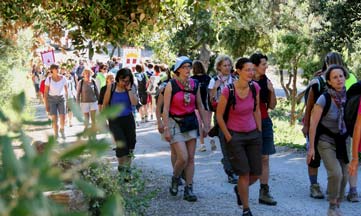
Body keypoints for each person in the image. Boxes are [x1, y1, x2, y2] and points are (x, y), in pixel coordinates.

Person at [217, 57, 262, 216]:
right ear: (239, 71)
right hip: (235, 135)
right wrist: (229, 136)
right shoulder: (228, 90)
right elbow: (219, 116)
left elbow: (256, 110)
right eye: (248, 70)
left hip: (252, 134)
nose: (251, 73)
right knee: (244, 173)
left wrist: (259, 131)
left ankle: (239, 189)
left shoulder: (255, 88)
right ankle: (246, 209)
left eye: (252, 70)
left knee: (256, 174)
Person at [162, 56, 209, 202]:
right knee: (182, 157)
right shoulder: (171, 85)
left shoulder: (195, 84)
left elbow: (200, 105)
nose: (188, 69)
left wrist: (206, 124)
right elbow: (166, 108)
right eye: (185, 67)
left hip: (190, 121)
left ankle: (189, 188)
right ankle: (175, 178)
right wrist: (166, 128)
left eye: (189, 67)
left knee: (191, 158)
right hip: (175, 122)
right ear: (178, 70)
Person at [308, 64, 349, 216]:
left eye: (341, 76)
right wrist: (311, 148)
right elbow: (313, 125)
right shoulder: (323, 99)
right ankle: (332, 206)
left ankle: (337, 204)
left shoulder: (350, 97)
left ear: (345, 77)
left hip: (343, 140)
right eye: (335, 77)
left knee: (345, 176)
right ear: (329, 82)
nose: (339, 79)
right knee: (336, 173)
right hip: (325, 140)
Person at [302, 52, 345, 199]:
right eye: (330, 63)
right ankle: (314, 186)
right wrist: (306, 125)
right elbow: (309, 105)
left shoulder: (345, 79)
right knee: (314, 157)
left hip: (337, 129)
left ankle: (331, 186)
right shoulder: (318, 82)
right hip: (317, 126)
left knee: (334, 159)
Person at [250, 53, 277, 206]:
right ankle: (242, 187)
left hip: (265, 121)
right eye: (263, 64)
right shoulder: (244, 81)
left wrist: (272, 91)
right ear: (255, 66)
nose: (266, 67)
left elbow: (272, 106)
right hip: (248, 122)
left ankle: (264, 191)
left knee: (265, 158)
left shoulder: (266, 81)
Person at [208, 54, 238, 184]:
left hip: (235, 115)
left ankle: (230, 163)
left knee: (235, 143)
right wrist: (215, 87)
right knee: (225, 143)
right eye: (224, 65)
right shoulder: (213, 80)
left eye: (229, 65)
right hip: (221, 115)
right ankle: (230, 171)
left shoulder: (236, 79)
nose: (227, 68)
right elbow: (210, 100)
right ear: (219, 67)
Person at [103, 68, 138, 170]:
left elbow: (134, 103)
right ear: (118, 78)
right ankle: (121, 166)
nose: (125, 83)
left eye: (127, 81)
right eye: (123, 80)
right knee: (121, 144)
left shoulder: (131, 88)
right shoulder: (111, 87)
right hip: (115, 120)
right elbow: (105, 104)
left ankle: (127, 168)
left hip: (128, 119)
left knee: (131, 144)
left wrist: (129, 89)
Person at [191, 60, 215, 152]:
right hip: (207, 105)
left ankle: (202, 144)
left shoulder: (192, 79)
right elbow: (211, 91)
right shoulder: (208, 78)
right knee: (207, 124)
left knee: (200, 125)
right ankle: (211, 138)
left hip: (197, 106)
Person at [44, 64, 68, 139]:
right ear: (52, 70)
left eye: (58, 68)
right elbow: (45, 92)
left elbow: (66, 91)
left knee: (63, 117)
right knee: (54, 118)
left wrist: (67, 102)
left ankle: (62, 129)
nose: (57, 70)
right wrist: (46, 104)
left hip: (61, 99)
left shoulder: (63, 78)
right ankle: (56, 134)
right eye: (55, 69)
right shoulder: (49, 79)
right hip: (52, 100)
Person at [76, 68, 99, 135]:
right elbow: (78, 93)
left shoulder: (93, 81)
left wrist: (100, 101)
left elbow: (96, 92)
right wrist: (77, 103)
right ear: (83, 74)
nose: (87, 74)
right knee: (86, 117)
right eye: (86, 73)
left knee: (93, 118)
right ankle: (86, 129)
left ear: (91, 74)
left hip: (93, 102)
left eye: (89, 73)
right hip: (84, 102)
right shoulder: (81, 82)